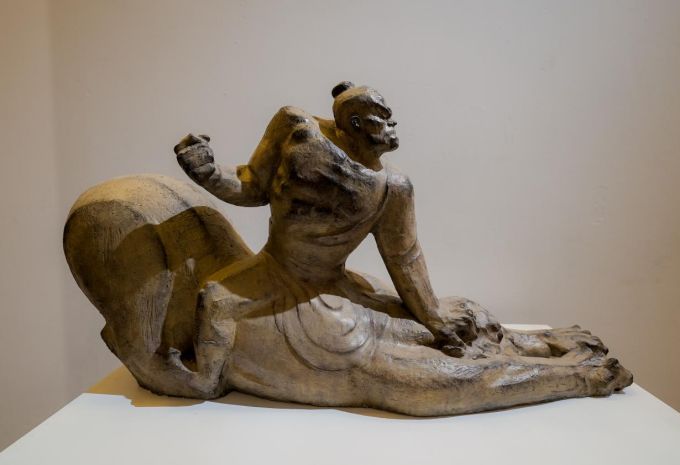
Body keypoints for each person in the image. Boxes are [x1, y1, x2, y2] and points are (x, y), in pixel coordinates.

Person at [163, 82, 632, 414]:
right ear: (354, 124)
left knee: (440, 333)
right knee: (215, 300)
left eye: (391, 119)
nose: (392, 128)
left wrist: (435, 320)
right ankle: (205, 381)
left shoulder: (392, 188)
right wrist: (208, 173)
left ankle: (549, 349)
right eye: (381, 121)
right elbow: (250, 185)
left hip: (336, 287)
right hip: (277, 273)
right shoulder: (294, 131)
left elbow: (405, 262)